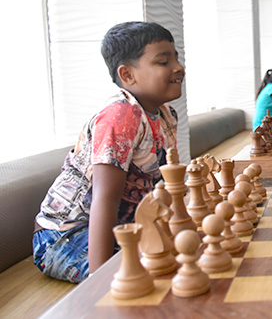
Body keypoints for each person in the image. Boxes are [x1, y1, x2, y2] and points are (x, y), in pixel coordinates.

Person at [32, 22, 182, 283]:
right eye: (163, 61)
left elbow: (163, 186)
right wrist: (98, 281)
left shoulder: (167, 115)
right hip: (67, 236)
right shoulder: (121, 116)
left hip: (121, 230)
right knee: (154, 276)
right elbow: (105, 198)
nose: (178, 67)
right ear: (127, 75)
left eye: (176, 58)